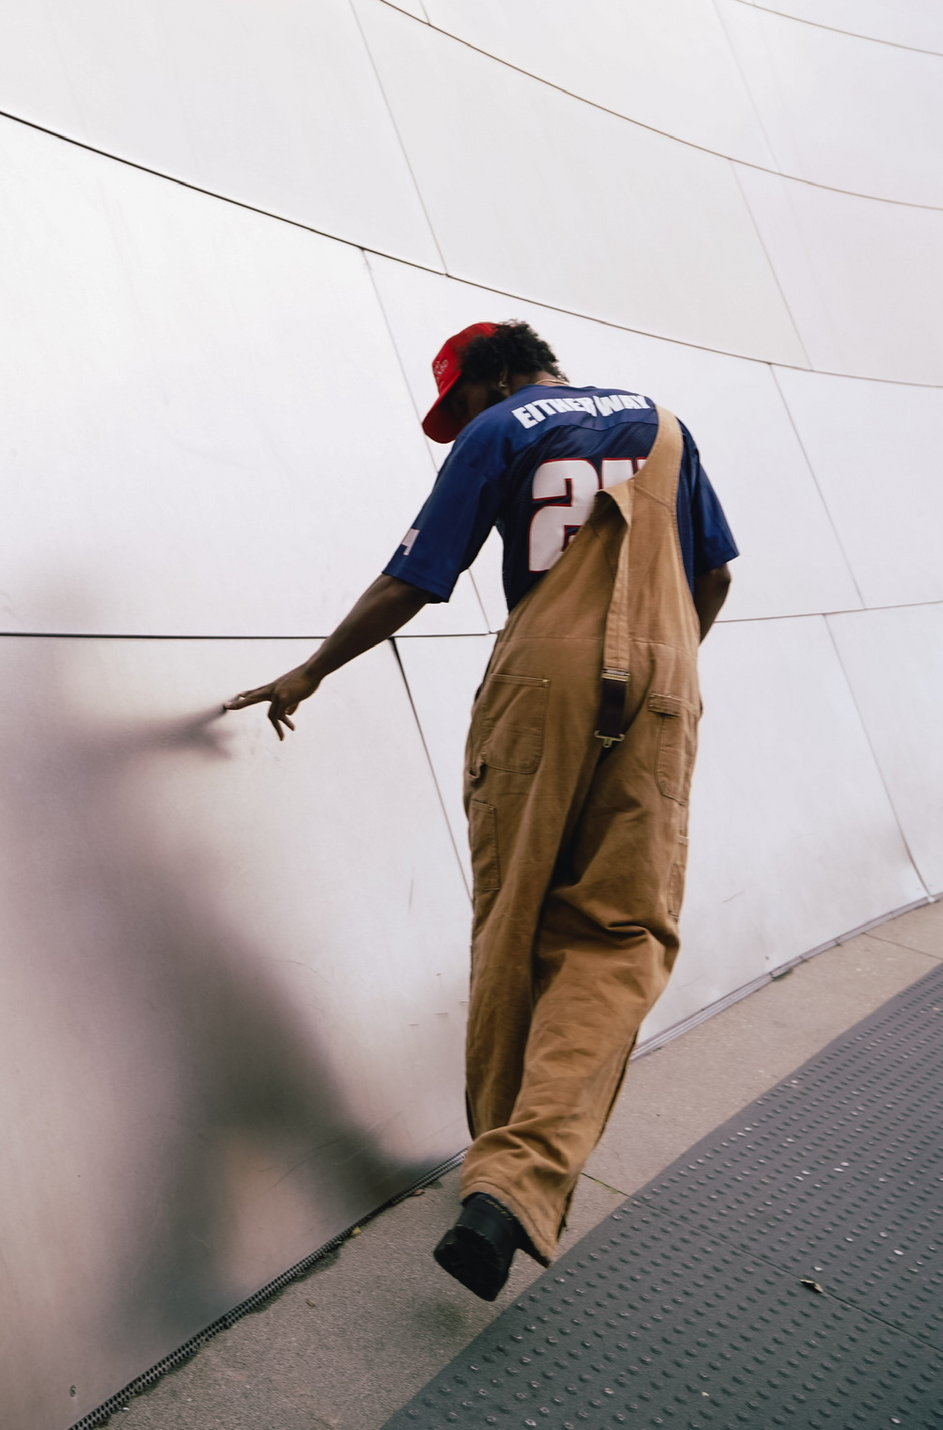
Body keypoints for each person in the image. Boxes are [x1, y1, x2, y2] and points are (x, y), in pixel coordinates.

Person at [226, 321, 736, 1299]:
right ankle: (516, 1177)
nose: (457, 417)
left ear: (492, 377)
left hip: (540, 677)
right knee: (619, 934)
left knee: (516, 920)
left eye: (455, 400)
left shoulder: (501, 427)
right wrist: (656, 672)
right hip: (660, 682)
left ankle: (494, 1151)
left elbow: (414, 578)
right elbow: (708, 574)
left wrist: (312, 667)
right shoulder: (665, 426)